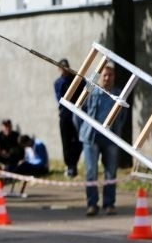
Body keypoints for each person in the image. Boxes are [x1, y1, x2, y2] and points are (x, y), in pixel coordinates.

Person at [74, 62, 125, 217]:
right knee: (91, 172)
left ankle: (109, 204)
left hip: (110, 139)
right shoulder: (91, 90)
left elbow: (122, 118)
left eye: (110, 75)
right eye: (104, 75)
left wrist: (116, 134)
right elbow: (77, 112)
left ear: (114, 77)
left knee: (110, 173)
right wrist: (83, 132)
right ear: (100, 77)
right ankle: (92, 204)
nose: (107, 78)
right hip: (91, 138)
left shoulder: (119, 95)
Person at [54, 58, 83, 177]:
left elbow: (83, 87)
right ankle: (70, 166)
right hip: (65, 115)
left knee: (78, 140)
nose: (64, 70)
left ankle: (73, 163)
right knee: (66, 142)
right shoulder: (58, 82)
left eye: (66, 67)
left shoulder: (76, 80)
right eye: (62, 67)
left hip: (76, 114)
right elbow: (59, 98)